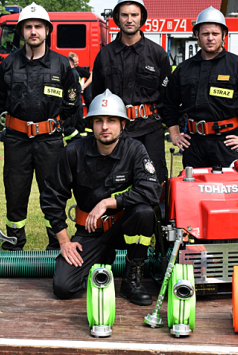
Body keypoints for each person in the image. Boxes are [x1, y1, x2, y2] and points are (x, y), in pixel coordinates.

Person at [42, 89, 160, 305]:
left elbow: (151, 190)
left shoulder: (135, 150)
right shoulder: (74, 152)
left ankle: (131, 279)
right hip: (91, 231)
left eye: (112, 120)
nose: (105, 127)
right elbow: (52, 196)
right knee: (63, 287)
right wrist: (64, 241)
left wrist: (109, 202)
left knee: (143, 212)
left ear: (123, 124)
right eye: (99, 121)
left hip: (125, 227)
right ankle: (101, 259)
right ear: (91, 124)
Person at [0, 3, 79, 251]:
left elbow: (71, 103)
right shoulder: (9, 64)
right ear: (21, 31)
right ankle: (14, 242)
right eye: (28, 27)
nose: (33, 31)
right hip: (16, 140)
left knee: (52, 192)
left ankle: (55, 243)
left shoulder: (62, 65)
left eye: (38, 27)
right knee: (15, 191)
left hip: (49, 141)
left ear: (47, 30)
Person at [162, 7, 238, 169]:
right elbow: (169, 104)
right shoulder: (184, 69)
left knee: (228, 192)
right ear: (197, 35)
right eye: (205, 33)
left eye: (215, 34)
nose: (210, 38)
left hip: (228, 145)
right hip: (193, 145)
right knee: (194, 191)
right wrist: (175, 134)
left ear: (224, 35)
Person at [89, 0, 170, 183]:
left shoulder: (157, 54)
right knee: (113, 181)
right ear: (117, 18)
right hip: (116, 130)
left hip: (150, 129)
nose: (129, 19)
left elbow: (167, 97)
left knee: (153, 181)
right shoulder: (104, 56)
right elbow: (98, 96)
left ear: (142, 17)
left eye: (134, 15)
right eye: (124, 15)